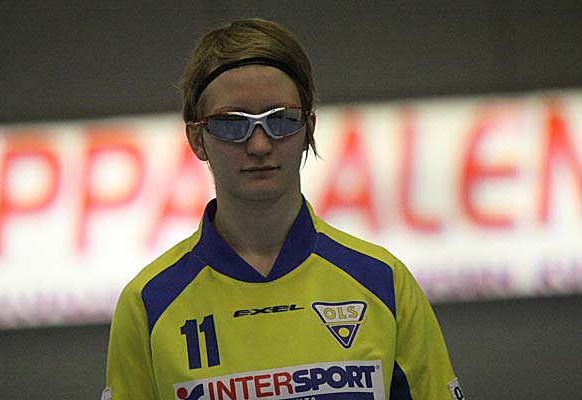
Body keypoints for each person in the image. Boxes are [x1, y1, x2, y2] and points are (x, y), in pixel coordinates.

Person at [103, 18, 464, 400]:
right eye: (231, 124)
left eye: (281, 119)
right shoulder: (150, 303)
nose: (259, 145)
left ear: (309, 127)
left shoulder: (383, 282)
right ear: (197, 137)